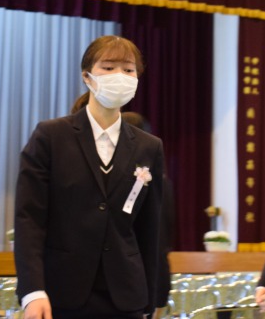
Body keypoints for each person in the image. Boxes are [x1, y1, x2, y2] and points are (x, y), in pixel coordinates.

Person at [14, 36, 164, 319]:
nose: (119, 75)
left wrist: (150, 298)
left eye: (128, 70)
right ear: (87, 77)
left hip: (126, 296)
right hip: (61, 293)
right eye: (108, 67)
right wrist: (32, 291)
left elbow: (150, 229)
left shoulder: (149, 146)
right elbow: (29, 219)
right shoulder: (50, 136)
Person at [121, 111, 176, 316]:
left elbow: (158, 236)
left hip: (136, 280)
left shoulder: (150, 180)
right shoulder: (163, 180)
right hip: (151, 276)